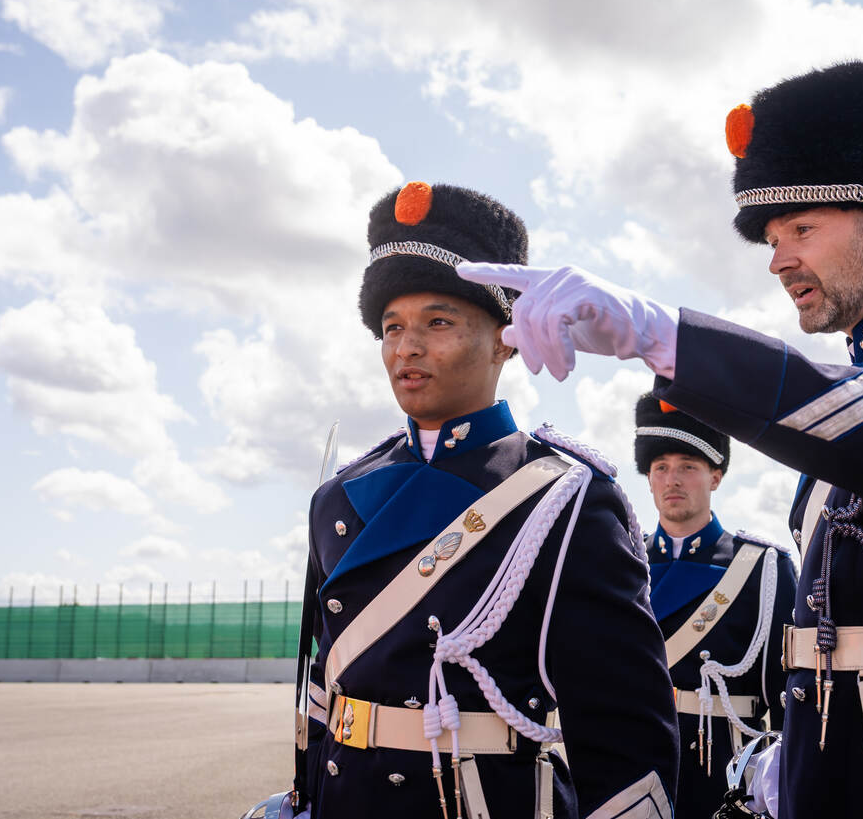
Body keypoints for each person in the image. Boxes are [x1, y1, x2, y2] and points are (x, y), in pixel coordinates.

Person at [458, 60, 863, 819]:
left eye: (803, 228)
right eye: (773, 238)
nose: (780, 259)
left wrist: (668, 336)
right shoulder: (861, 377)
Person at [291, 182, 679, 819]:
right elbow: (322, 697)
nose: (407, 348)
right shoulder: (336, 496)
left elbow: (624, 735)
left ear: (507, 338)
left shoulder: (563, 498)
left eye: (438, 323)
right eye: (393, 327)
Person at [634, 393, 797, 818]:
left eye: (688, 467)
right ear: (648, 479)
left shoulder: (762, 567)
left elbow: (788, 695)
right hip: (634, 765)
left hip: (722, 776)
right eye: (661, 468)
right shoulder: (623, 565)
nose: (673, 480)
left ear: (716, 476)